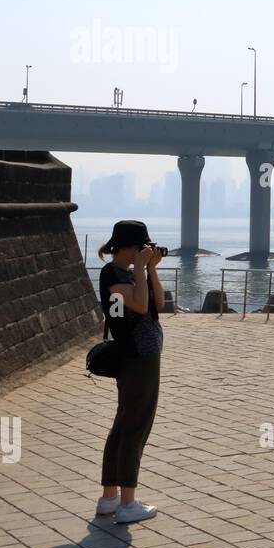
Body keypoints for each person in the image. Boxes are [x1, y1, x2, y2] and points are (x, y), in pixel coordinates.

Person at [95, 220, 164, 525]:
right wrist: (139, 268)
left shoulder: (133, 272)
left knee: (124, 424)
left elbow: (158, 303)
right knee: (135, 426)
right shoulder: (112, 272)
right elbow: (137, 305)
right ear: (124, 246)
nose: (144, 251)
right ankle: (128, 503)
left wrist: (150, 270)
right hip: (137, 356)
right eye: (140, 247)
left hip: (143, 355)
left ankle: (110, 498)